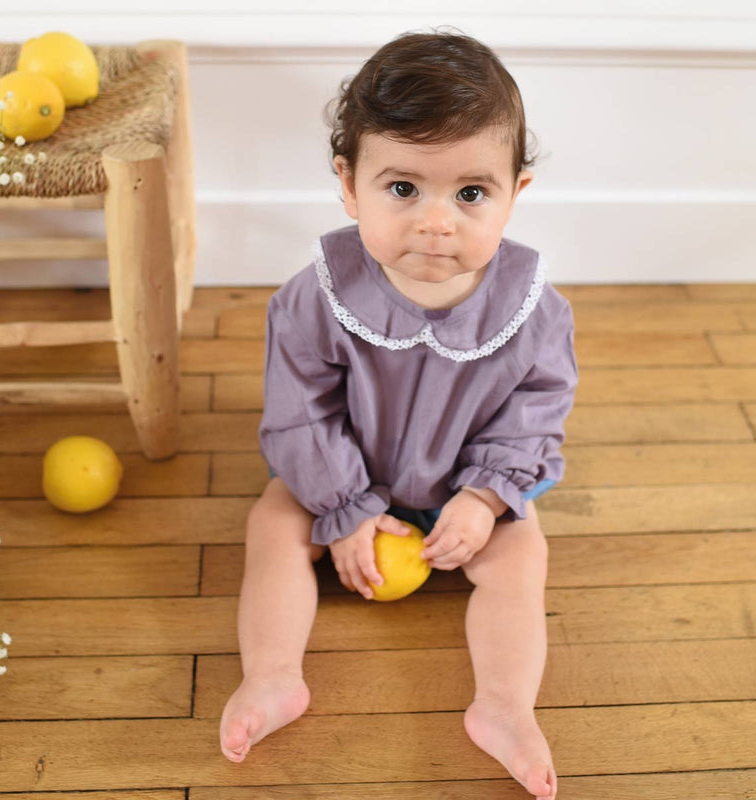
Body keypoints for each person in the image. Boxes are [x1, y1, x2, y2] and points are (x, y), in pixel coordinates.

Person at [220, 30, 577, 800]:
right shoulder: (316, 297)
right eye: (403, 189)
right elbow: (299, 414)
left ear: (517, 191)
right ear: (349, 186)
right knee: (273, 524)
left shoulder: (533, 310)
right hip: (345, 470)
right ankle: (273, 677)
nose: (436, 222)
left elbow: (537, 408)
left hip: (463, 482)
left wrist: (484, 498)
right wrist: (344, 510)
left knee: (522, 558)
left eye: (471, 193)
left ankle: (506, 707)